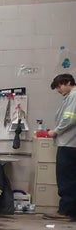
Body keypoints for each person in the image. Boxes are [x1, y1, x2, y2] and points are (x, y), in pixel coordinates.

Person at [45, 73, 76, 221]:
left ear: (68, 82)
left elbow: (69, 118)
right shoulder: (70, 97)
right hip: (70, 143)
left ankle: (65, 212)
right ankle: (71, 211)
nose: (58, 90)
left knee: (66, 179)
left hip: (69, 144)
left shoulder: (74, 96)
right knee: (71, 178)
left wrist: (55, 131)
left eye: (59, 86)